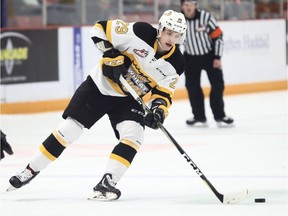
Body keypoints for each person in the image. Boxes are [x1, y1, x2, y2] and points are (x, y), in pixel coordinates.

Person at [7, 10, 187, 201]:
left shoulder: (177, 64)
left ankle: (107, 183)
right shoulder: (139, 32)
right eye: (169, 33)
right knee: (69, 130)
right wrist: (110, 55)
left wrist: (158, 110)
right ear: (160, 29)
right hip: (99, 86)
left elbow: (164, 93)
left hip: (128, 99)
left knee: (134, 135)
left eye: (177, 35)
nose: (171, 39)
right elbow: (100, 28)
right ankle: (29, 170)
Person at [180, 0, 234, 127]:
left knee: (218, 85)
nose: (189, 7)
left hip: (210, 57)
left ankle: (220, 115)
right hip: (190, 58)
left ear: (196, 5)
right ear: (182, 6)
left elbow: (218, 37)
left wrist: (217, 57)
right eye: (186, 5)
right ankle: (199, 116)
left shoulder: (206, 17)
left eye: (191, 4)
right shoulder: (179, 20)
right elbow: (174, 42)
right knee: (192, 88)